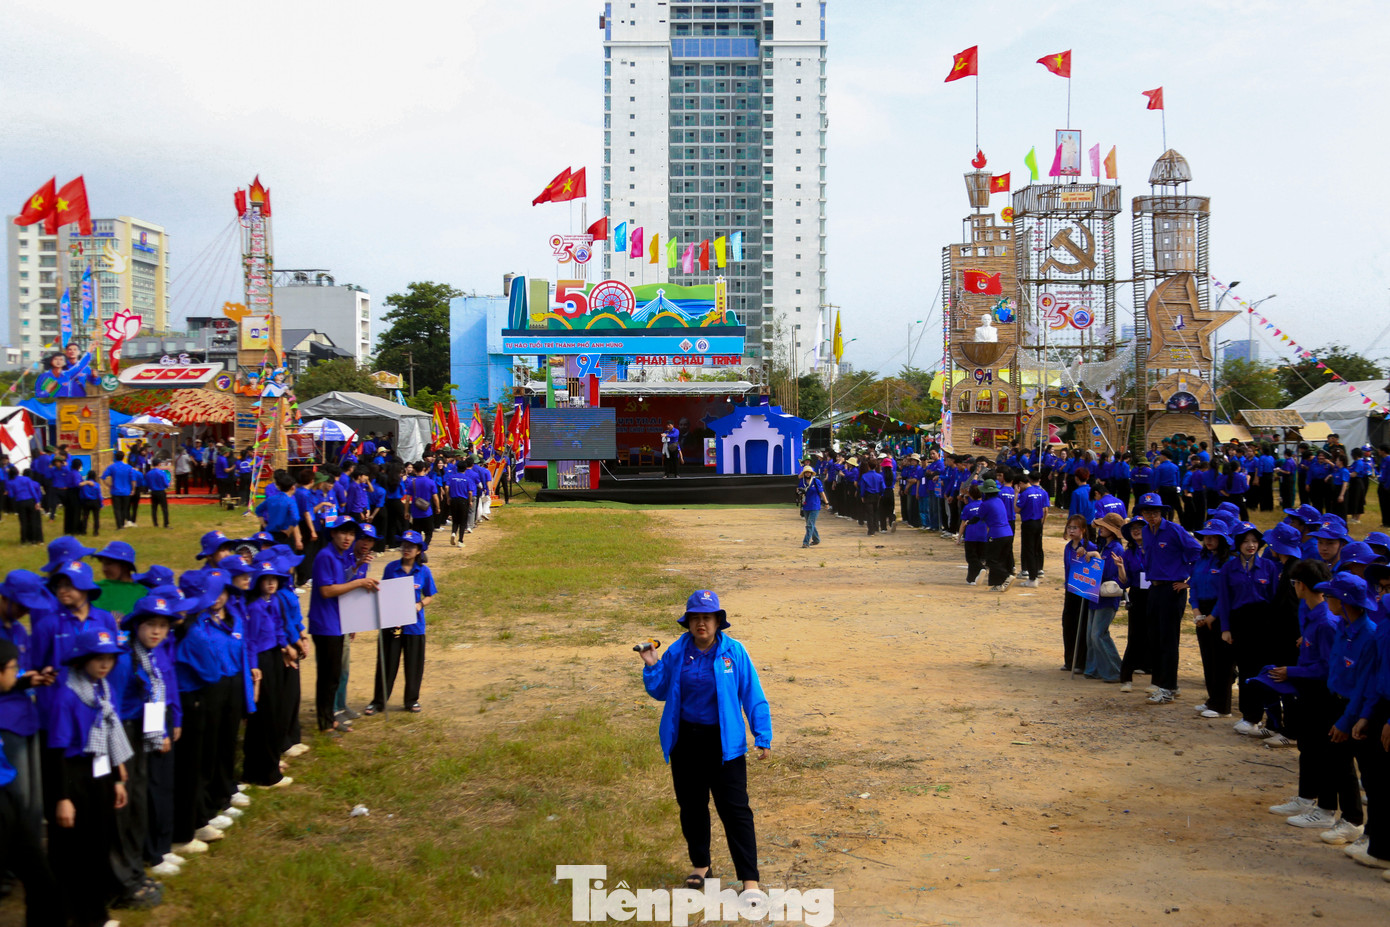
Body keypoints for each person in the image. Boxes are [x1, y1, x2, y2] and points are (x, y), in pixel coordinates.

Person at [638, 590, 771, 891]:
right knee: (692, 807)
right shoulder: (676, 651)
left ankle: (749, 880)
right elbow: (660, 691)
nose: (701, 623)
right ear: (687, 622)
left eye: (707, 617)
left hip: (724, 744)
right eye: (695, 618)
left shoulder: (734, 652)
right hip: (685, 740)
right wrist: (652, 665)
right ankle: (701, 865)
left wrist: (762, 734)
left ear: (717, 621)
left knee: (735, 811)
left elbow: (752, 694)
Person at [42, 627, 133, 926]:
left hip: (101, 773)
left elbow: (109, 735)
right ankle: (72, 914)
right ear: (82, 660)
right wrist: (63, 798)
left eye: (110, 658)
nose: (105, 664)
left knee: (99, 844)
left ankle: (94, 912)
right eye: (97, 658)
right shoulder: (66, 697)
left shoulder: (105, 691)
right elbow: (56, 752)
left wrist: (117, 780)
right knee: (72, 851)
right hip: (73, 777)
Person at [0, 637, 62, 927]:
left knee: (38, 872)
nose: (17, 672)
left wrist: (23, 682)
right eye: (14, 668)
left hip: (7, 793)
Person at [308, 517, 378, 734]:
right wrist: (358, 582)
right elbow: (326, 590)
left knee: (334, 675)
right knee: (327, 676)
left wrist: (356, 568)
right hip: (325, 624)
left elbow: (342, 582)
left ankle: (331, 718)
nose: (348, 538)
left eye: (351, 534)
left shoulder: (340, 557)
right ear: (333, 534)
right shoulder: (326, 556)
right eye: (343, 533)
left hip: (337, 623)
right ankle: (325, 724)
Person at [1214, 524, 1282, 736]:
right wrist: (1226, 628)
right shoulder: (1229, 568)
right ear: (1238, 544)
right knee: (1246, 670)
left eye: (1254, 541)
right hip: (1240, 622)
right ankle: (1249, 717)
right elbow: (1224, 600)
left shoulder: (1269, 567)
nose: (1250, 545)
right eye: (1245, 541)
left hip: (1264, 623)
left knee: (1265, 669)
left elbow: (1274, 599)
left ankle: (1271, 719)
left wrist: (1274, 627)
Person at [366, 530, 435, 715]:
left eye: (411, 546)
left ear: (418, 550)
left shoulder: (424, 571)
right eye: (404, 545)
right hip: (392, 624)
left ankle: (411, 700)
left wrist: (420, 604)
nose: (406, 549)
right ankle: (378, 701)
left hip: (414, 626)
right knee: (387, 663)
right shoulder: (391, 568)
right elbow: (384, 592)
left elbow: (430, 595)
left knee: (413, 665)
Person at [242, 564, 292, 788]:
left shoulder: (274, 601)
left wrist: (285, 647)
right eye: (266, 579)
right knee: (265, 715)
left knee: (275, 712)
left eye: (274, 579)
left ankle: (270, 763)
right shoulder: (254, 608)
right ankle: (265, 773)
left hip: (274, 656)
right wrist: (254, 668)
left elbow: (279, 627)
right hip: (261, 661)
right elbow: (250, 641)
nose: (271, 583)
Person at [1189, 521, 1234, 718]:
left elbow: (1226, 593)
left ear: (1222, 539)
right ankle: (1212, 699)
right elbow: (1194, 585)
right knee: (1208, 658)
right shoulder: (1202, 559)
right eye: (1206, 536)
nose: (1208, 540)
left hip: (1220, 612)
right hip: (1202, 611)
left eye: (1213, 536)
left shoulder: (1228, 562)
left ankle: (1222, 706)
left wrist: (1212, 616)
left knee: (1222, 660)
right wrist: (1196, 610)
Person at [1060, 514, 1096, 673]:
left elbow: (1094, 568)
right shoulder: (1068, 547)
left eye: (1075, 528)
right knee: (1068, 624)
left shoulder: (1090, 546)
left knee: (1081, 624)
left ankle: (1081, 662)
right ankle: (1069, 661)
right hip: (1070, 589)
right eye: (1069, 527)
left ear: (1083, 530)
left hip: (1084, 590)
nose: (1071, 530)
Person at [979, 479, 1014, 591]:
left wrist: (969, 522)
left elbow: (979, 517)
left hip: (996, 534)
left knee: (991, 560)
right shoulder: (999, 501)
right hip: (1008, 533)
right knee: (1001, 559)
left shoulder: (985, 504)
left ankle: (1006, 576)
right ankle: (998, 584)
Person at [102, 450, 137, 531]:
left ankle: (119, 525)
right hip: (126, 491)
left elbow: (103, 477)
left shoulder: (112, 467)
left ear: (115, 457)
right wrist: (133, 489)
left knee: (117, 509)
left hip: (115, 491)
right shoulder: (129, 467)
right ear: (123, 457)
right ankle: (122, 523)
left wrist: (109, 485)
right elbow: (133, 480)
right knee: (124, 508)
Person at [798, 465, 827, 548]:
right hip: (806, 505)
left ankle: (806, 542)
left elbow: (821, 492)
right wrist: (799, 492)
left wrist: (826, 502)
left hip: (815, 505)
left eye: (809, 472)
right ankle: (816, 539)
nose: (808, 474)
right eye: (806, 472)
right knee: (810, 523)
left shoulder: (816, 481)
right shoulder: (802, 481)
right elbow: (799, 490)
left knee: (809, 525)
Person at [146, 456, 172, 528]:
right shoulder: (161, 473)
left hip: (153, 492)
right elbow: (165, 483)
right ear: (159, 464)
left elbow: (147, 483)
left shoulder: (149, 473)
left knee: (154, 508)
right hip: (161, 491)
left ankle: (155, 523)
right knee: (164, 508)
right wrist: (167, 486)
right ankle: (166, 524)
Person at [78, 469, 104, 536]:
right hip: (95, 502)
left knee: (85, 517)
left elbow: (81, 495)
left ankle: (83, 531)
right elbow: (99, 495)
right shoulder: (97, 485)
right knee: (96, 518)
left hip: (86, 502)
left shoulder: (84, 485)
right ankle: (96, 532)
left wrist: (82, 502)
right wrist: (101, 504)